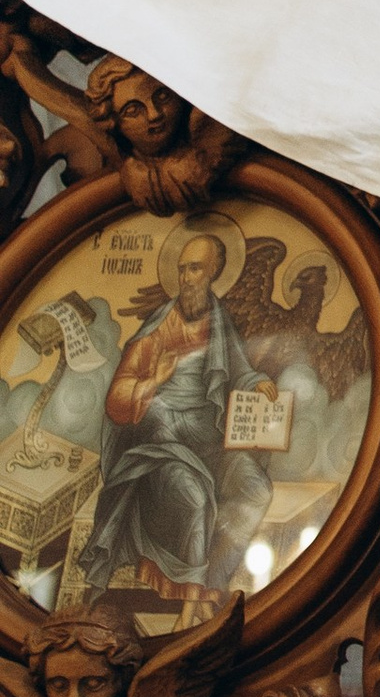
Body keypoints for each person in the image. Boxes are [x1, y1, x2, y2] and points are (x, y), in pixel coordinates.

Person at [78, 233, 268, 609]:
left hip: (211, 442)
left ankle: (214, 585)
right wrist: (154, 381)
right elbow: (117, 398)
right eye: (182, 270)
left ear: (214, 271)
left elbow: (239, 370)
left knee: (256, 489)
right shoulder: (159, 328)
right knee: (195, 500)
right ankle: (189, 606)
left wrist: (257, 382)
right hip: (163, 446)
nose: (186, 278)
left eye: (195, 269)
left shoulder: (219, 322)